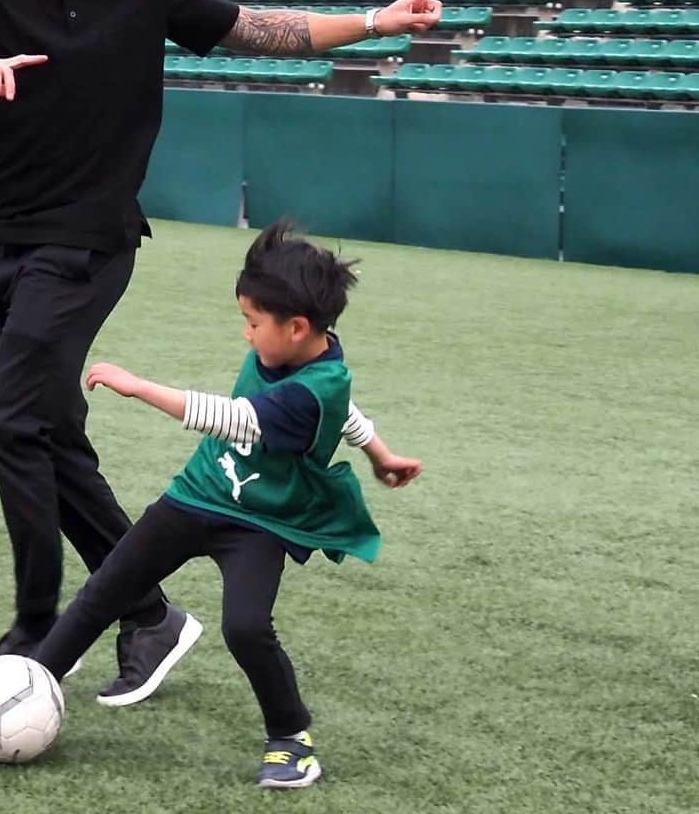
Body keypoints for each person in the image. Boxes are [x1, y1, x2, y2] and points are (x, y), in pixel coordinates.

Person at [0, 0, 449, 707]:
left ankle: (34, 631)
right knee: (47, 434)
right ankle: (147, 612)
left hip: (88, 244)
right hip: (1, 241)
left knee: (3, 421)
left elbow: (265, 31)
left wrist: (375, 20)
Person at [34, 220, 422, 788]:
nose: (246, 335)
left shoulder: (312, 393)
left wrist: (140, 386)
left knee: (245, 628)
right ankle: (35, 676)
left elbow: (236, 418)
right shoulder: (303, 357)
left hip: (259, 522)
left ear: (296, 328)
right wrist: (382, 454)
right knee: (109, 585)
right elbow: (351, 414)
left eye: (253, 323)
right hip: (198, 494)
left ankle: (292, 739)